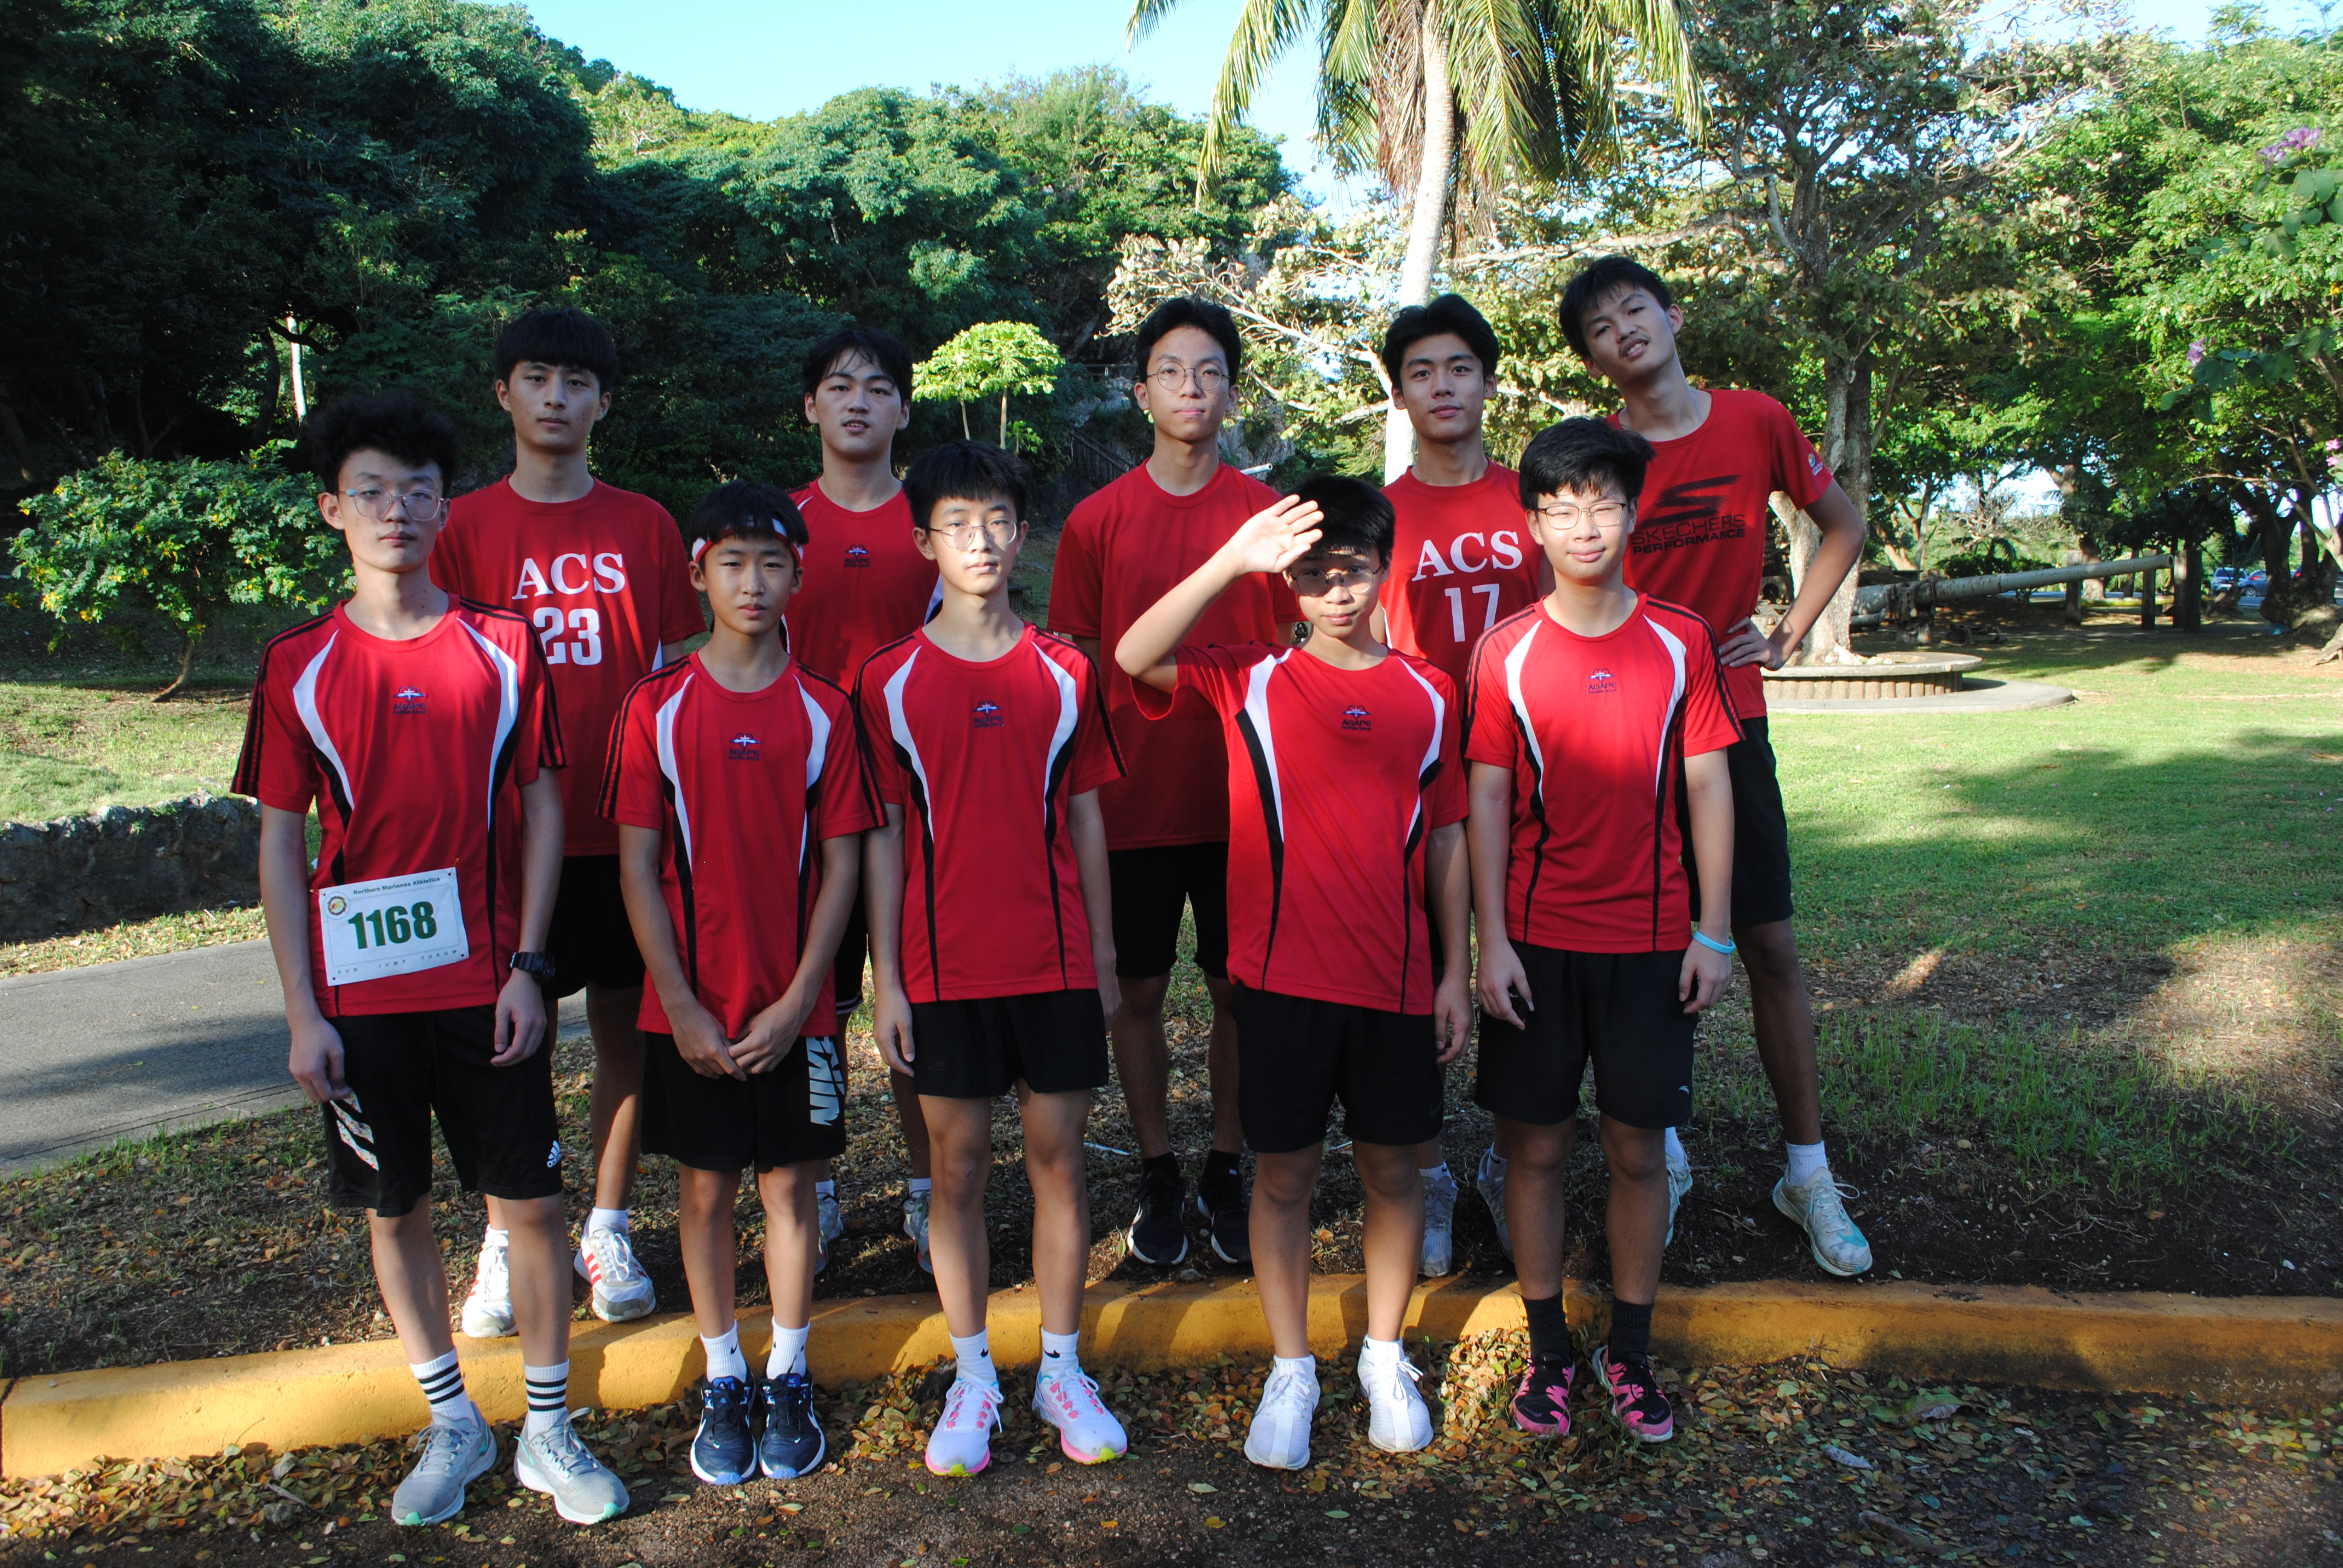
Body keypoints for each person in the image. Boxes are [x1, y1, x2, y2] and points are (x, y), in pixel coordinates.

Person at [240, 392, 629, 1527]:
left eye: (417, 490)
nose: (396, 511)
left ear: (443, 506)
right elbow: (279, 841)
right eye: (371, 491)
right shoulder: (298, 665)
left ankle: (550, 1428)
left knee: (534, 1207)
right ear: (331, 510)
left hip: (487, 989)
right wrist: (303, 1011)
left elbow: (547, 807)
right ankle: (451, 1419)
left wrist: (529, 963)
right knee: (393, 1209)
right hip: (362, 1005)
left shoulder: (505, 647)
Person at [1116, 474, 1471, 1471]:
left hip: (1400, 981)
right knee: (1284, 1174)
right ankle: (1290, 1366)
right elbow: (1135, 653)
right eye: (1312, 573)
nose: (1335, 590)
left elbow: (1446, 839)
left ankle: (1384, 1355)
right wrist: (1233, 557)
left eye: (1352, 569)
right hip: (1279, 980)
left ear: (1383, 569)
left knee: (1395, 1170)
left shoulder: (1434, 692)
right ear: (1287, 584)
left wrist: (1458, 971)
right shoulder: (1249, 678)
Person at [1556, 256, 1875, 1277]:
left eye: (1634, 310)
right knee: (1645, 954)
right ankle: (1666, 1156)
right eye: (1600, 328)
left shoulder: (1754, 420)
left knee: (1769, 948)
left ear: (1672, 313)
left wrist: (1785, 631)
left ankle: (1809, 1174)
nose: (1623, 332)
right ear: (1595, 359)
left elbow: (1844, 525)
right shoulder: (1597, 459)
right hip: (1621, 739)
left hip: (1728, 719)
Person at [859, 441, 1131, 1477]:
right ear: (923, 538)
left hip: (1055, 958)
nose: (980, 539)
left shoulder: (1067, 670)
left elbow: (1090, 817)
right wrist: (887, 976)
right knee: (957, 1171)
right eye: (957, 522)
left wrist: (1103, 952)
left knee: (1058, 1161)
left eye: (999, 520)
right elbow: (882, 833)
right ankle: (973, 1373)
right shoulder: (885, 679)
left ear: (1023, 533)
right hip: (942, 968)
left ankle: (1061, 1367)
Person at [1466, 418, 1740, 1445]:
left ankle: (1631, 1352)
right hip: (1538, 944)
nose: (1584, 524)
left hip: (1654, 942)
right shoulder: (1505, 651)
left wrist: (1714, 933)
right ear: (1533, 522)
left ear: (1634, 513)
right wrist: (1491, 942)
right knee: (1531, 1149)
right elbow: (1487, 803)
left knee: (1638, 1149)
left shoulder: (1680, 641)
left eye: (1604, 503)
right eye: (1562, 506)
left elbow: (1708, 784)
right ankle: (1549, 1355)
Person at [432, 307, 705, 1332]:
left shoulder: (644, 525)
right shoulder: (458, 528)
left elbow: (678, 675)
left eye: (577, 381)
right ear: (504, 392)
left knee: (629, 1040)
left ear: (602, 400)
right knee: (515, 1042)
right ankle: (510, 1233)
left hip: (631, 835)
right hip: (508, 846)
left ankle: (605, 1221)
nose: (557, 396)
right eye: (537, 377)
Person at [605, 481, 877, 1487]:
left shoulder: (826, 711)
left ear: (798, 577)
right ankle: (725, 1373)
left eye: (772, 564)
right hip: (691, 1011)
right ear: (698, 575)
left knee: (792, 1187)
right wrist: (677, 1003)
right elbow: (636, 865)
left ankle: (788, 1367)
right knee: (707, 1189)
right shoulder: (655, 707)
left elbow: (843, 865)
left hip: (794, 1010)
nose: (753, 582)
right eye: (732, 562)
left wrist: (804, 992)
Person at [1047, 297, 1299, 1267]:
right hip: (1131, 800)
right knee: (1137, 992)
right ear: (1141, 389)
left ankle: (1226, 1163)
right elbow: (1075, 659)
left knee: (1241, 991)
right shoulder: (1098, 520)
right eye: (1171, 371)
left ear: (1232, 392)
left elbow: (1296, 649)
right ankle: (1159, 1166)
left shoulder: (1269, 519)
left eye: (1210, 372)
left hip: (1245, 801)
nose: (1191, 388)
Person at [1374, 293, 1547, 1278]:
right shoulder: (1382, 517)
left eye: (1460, 369)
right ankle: (1428, 1172)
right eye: (1422, 372)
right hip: (1418, 776)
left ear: (1488, 382)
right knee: (1423, 979)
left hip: (1532, 766)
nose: (1443, 387)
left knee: (1528, 968)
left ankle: (1514, 1156)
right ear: (1399, 393)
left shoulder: (1536, 498)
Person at [785, 326, 943, 1275]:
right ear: (810, 407)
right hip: (801, 808)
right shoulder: (780, 525)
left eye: (877, 388)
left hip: (913, 807)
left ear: (902, 410)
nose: (856, 401)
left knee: (913, 995)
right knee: (820, 1003)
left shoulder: (935, 525)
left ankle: (929, 1187)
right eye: (837, 386)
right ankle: (823, 1178)